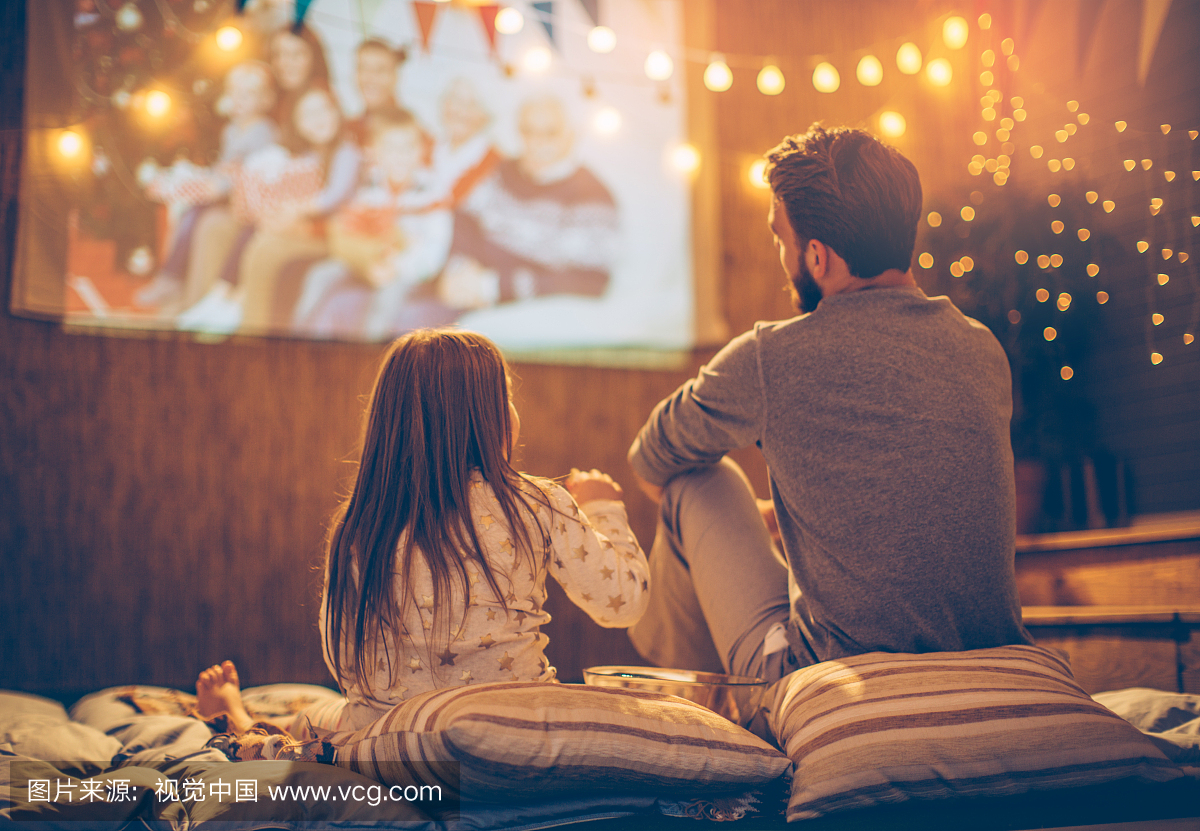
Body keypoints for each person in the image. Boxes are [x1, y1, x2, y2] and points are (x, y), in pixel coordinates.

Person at [626, 124, 1033, 684]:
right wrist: (798, 515)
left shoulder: (772, 357)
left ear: (816, 256)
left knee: (694, 481)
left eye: (780, 239)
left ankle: (700, 708)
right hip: (984, 655)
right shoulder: (981, 348)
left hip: (823, 670)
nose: (780, 253)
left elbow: (650, 458)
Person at [195, 329, 650, 734]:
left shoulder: (360, 522)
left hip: (388, 736)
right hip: (516, 730)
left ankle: (243, 721)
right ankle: (242, 718)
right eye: (506, 396)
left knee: (321, 721)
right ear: (487, 415)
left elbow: (342, 660)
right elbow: (624, 603)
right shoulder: (538, 503)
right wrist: (603, 508)